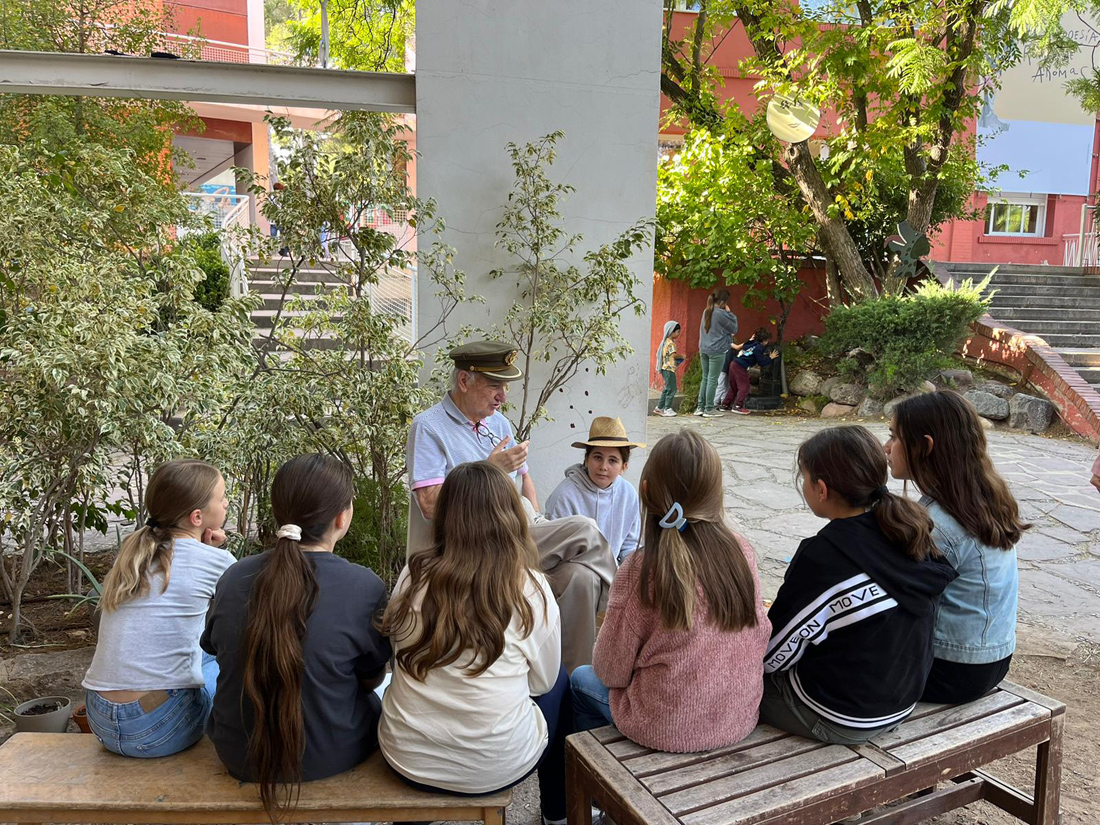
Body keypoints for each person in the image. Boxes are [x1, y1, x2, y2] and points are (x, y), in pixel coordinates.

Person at [406, 340, 616, 672]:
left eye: (505, 386)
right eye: (495, 386)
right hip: (470, 545)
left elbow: (525, 480)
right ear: (464, 381)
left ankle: (576, 680)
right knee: (585, 529)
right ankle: (619, 609)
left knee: (582, 578)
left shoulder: (498, 424)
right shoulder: (429, 427)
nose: (503, 396)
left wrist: (537, 518)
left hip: (518, 533)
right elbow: (431, 505)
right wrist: (490, 469)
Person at [380, 461, 570, 825]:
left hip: (406, 760)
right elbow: (542, 683)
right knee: (561, 680)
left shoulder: (413, 574)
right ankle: (557, 814)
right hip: (496, 767)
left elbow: (399, 653)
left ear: (447, 515)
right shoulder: (530, 587)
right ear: (511, 514)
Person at [202, 455, 390, 819]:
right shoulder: (364, 586)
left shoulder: (234, 576)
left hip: (240, 754)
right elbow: (370, 678)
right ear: (342, 517)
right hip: (331, 755)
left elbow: (215, 650)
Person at [570, 429, 771, 752]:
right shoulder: (741, 551)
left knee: (580, 679)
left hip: (664, 728)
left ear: (646, 491)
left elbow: (609, 671)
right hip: (738, 718)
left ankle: (594, 794)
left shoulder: (641, 567)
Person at [762, 426, 956, 744]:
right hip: (900, 702)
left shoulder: (825, 554)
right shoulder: (905, 531)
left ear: (821, 489)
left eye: (804, 477)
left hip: (844, 716)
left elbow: (773, 655)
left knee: (734, 683)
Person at [81, 459, 234, 758]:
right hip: (160, 729)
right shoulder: (218, 563)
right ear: (198, 516)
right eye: (222, 496)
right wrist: (214, 554)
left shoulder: (132, 554)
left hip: (100, 718)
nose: (227, 502)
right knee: (220, 660)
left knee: (197, 652)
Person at [886, 391, 1028, 704]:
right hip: (993, 659)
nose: (886, 448)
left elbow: (898, 602)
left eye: (893, 437)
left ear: (925, 446)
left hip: (952, 670)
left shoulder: (942, 524)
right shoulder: (980, 498)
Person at [544, 417, 644, 564]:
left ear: (624, 467)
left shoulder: (628, 493)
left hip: (613, 573)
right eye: (597, 457)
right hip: (574, 574)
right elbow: (552, 551)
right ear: (586, 460)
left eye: (613, 460)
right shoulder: (565, 495)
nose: (603, 466)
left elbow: (630, 546)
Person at [694, 288, 739, 417]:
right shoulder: (721, 313)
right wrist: (730, 313)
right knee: (713, 380)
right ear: (724, 301)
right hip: (717, 350)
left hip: (704, 349)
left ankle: (700, 407)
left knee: (705, 378)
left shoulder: (706, 311)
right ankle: (709, 409)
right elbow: (734, 327)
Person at [718, 328, 779, 414]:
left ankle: (725, 404)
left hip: (734, 363)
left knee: (734, 386)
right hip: (740, 366)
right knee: (745, 386)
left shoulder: (750, 343)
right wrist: (770, 358)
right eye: (767, 340)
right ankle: (738, 406)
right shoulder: (759, 348)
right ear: (765, 340)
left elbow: (746, 346)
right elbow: (761, 362)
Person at [653, 321, 684, 417]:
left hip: (665, 368)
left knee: (667, 388)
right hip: (669, 369)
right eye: (677, 332)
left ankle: (659, 408)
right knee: (672, 389)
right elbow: (673, 355)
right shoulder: (671, 344)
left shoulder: (665, 342)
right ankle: (667, 408)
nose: (678, 334)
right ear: (671, 332)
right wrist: (682, 356)